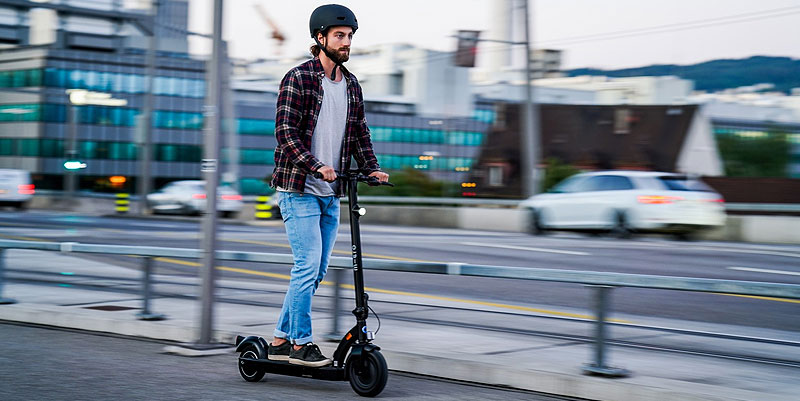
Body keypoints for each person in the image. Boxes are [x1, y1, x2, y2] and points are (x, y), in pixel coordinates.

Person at [267, 4, 389, 368]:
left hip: (330, 194)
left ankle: (278, 339)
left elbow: (359, 134)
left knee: (316, 271)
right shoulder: (299, 79)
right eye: (339, 36)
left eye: (349, 36)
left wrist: (372, 168)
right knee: (306, 267)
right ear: (320, 38)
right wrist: (316, 165)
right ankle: (300, 344)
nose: (346, 42)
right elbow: (285, 134)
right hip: (298, 188)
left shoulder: (351, 85)